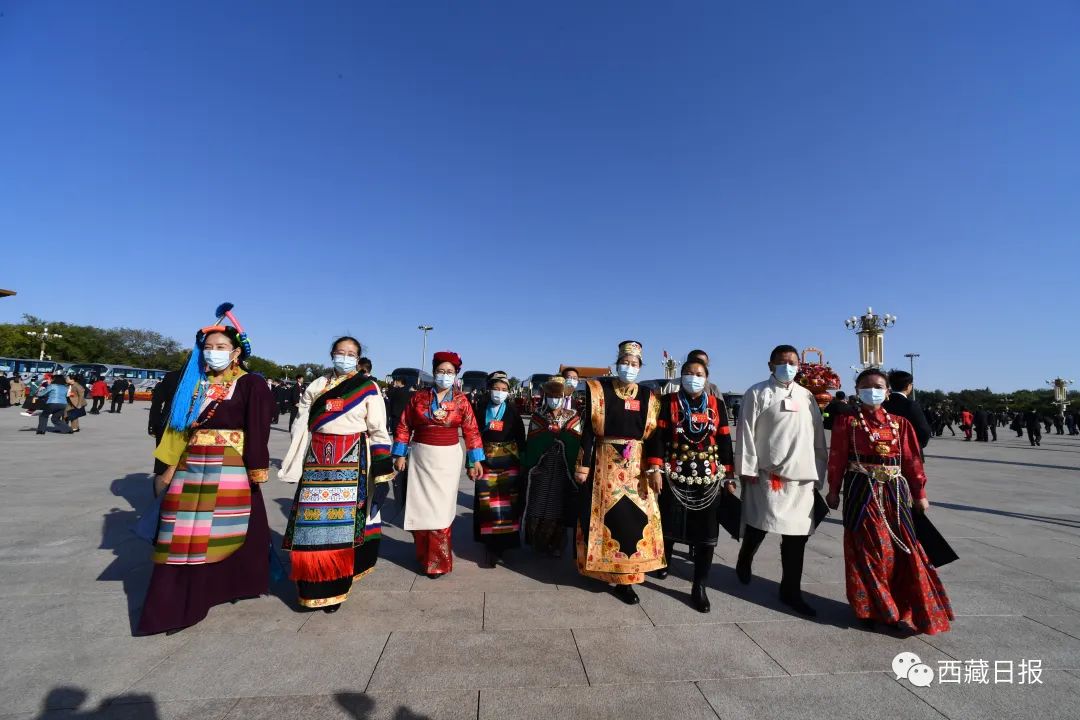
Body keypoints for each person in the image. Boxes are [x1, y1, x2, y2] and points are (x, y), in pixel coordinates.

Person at [138, 304, 273, 635]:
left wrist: (256, 467)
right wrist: (168, 467)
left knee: (232, 530)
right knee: (183, 534)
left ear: (236, 352)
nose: (214, 352)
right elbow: (178, 428)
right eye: (209, 347)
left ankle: (228, 585)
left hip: (231, 468)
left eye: (221, 347)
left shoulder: (250, 384)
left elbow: (258, 428)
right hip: (191, 467)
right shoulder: (194, 384)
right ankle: (178, 598)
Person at [825, 368, 954, 635]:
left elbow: (912, 460)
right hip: (862, 490)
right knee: (869, 548)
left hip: (895, 493)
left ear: (887, 392)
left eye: (878, 386)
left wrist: (920, 494)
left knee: (901, 548)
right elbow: (837, 458)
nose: (872, 391)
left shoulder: (900, 423)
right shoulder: (847, 423)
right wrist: (833, 490)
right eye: (866, 386)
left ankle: (904, 606)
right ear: (857, 391)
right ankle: (875, 609)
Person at [279, 337, 393, 612]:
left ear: (358, 358)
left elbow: (378, 428)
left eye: (351, 353)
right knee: (309, 526)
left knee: (342, 526)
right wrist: (296, 456)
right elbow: (302, 421)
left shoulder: (367, 387)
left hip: (352, 461)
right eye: (340, 352)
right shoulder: (318, 384)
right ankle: (310, 586)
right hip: (317, 461)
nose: (345, 357)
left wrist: (382, 469)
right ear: (332, 354)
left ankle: (337, 589)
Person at [735, 344, 827, 617]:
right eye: (782, 361)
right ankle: (745, 557)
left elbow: (817, 436)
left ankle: (790, 590)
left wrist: (818, 471)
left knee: (797, 538)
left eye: (793, 362)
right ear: (770, 365)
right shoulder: (757, 393)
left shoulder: (807, 396)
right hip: (768, 475)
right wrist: (747, 468)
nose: (788, 367)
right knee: (759, 525)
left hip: (801, 479)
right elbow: (745, 431)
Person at [573, 340, 665, 605]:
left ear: (640, 367)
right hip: (604, 466)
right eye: (625, 362)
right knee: (603, 520)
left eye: (634, 363)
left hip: (637, 468)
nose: (629, 367)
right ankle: (597, 570)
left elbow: (655, 437)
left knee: (633, 521)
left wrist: (655, 468)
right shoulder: (598, 390)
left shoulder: (649, 397)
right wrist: (583, 465)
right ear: (617, 363)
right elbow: (588, 431)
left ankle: (627, 580)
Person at [646, 358, 735, 613]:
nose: (693, 377)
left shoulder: (716, 404)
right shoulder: (669, 401)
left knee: (707, 534)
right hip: (675, 474)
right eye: (688, 372)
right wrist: (655, 469)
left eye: (698, 374)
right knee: (669, 523)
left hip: (708, 476)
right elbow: (658, 437)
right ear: (681, 375)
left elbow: (724, 439)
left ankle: (700, 586)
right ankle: (664, 560)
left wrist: (729, 476)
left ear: (706, 378)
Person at [392, 351, 485, 578]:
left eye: (450, 372)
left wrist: (474, 460)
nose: (445, 375)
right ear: (434, 373)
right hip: (421, 458)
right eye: (441, 371)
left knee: (440, 512)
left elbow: (471, 430)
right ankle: (423, 554)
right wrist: (400, 454)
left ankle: (438, 562)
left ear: (456, 375)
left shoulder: (461, 400)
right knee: (420, 508)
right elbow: (404, 425)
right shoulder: (418, 398)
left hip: (448, 459)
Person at [522, 376, 583, 557]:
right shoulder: (538, 415)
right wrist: (547, 438)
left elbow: (575, 441)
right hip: (541, 466)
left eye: (558, 396)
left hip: (563, 467)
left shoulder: (573, 416)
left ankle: (556, 543)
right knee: (538, 502)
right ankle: (536, 542)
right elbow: (533, 441)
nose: (554, 399)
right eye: (551, 395)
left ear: (564, 396)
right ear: (545, 395)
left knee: (558, 505)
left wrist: (562, 437)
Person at [472, 371, 527, 567]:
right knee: (488, 504)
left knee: (507, 503)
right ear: (489, 389)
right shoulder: (480, 409)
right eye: (496, 388)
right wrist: (472, 462)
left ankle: (505, 544)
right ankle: (491, 546)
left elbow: (521, 439)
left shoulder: (512, 411)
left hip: (509, 462)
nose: (499, 392)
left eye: (504, 389)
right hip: (485, 461)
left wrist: (523, 463)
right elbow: (473, 437)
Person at [882, 370, 932, 453]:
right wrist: (918, 445)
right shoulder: (911, 405)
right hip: (909, 450)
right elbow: (924, 431)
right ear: (908, 386)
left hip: (885, 449)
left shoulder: (882, 403)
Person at [148, 370, 182, 476]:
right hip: (171, 424)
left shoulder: (172, 375)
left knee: (162, 466)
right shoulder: (205, 376)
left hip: (166, 423)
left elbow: (157, 402)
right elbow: (157, 402)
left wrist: (153, 423)